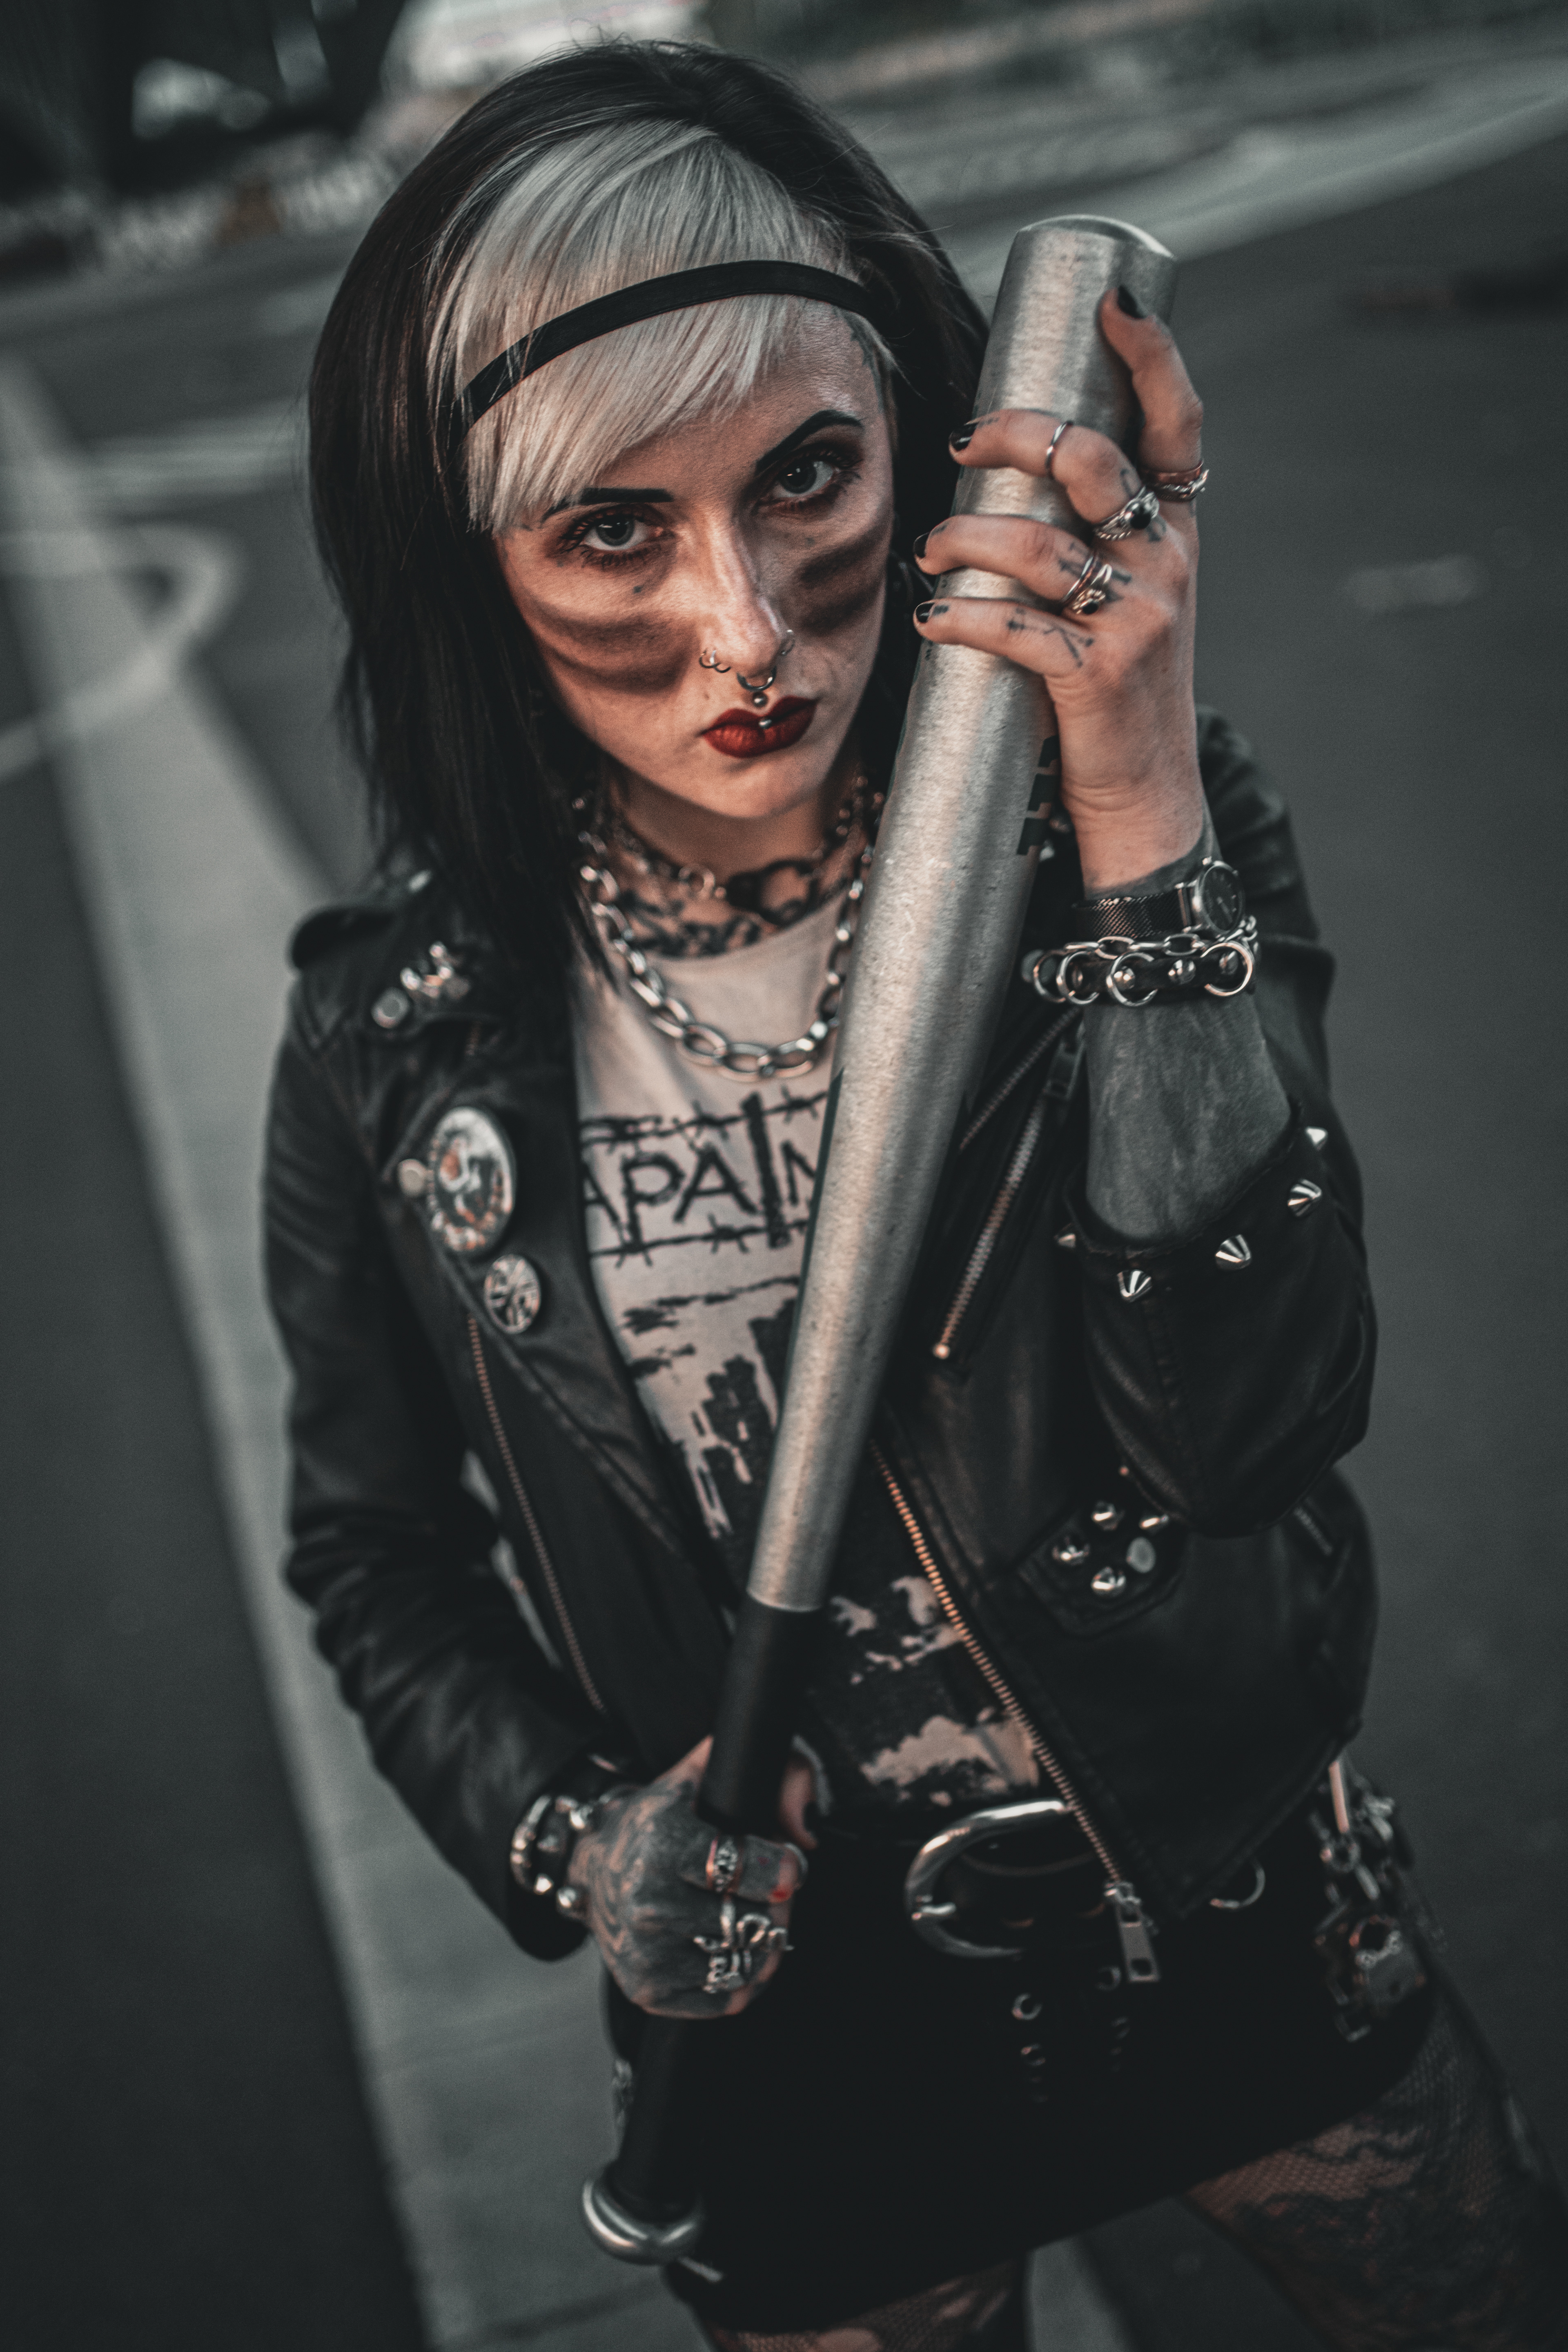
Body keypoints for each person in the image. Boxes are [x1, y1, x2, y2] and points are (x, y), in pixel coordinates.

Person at [269, 40, 1567, 2352]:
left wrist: (1145, 784)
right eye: (610, 534)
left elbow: (1261, 1423)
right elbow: (376, 1551)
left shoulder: (1129, 830)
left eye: (808, 478)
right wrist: (585, 1841)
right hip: (797, 2056)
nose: (747, 627)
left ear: (925, 435)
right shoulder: (396, 1032)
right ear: (463, 559)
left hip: (1229, 1914)